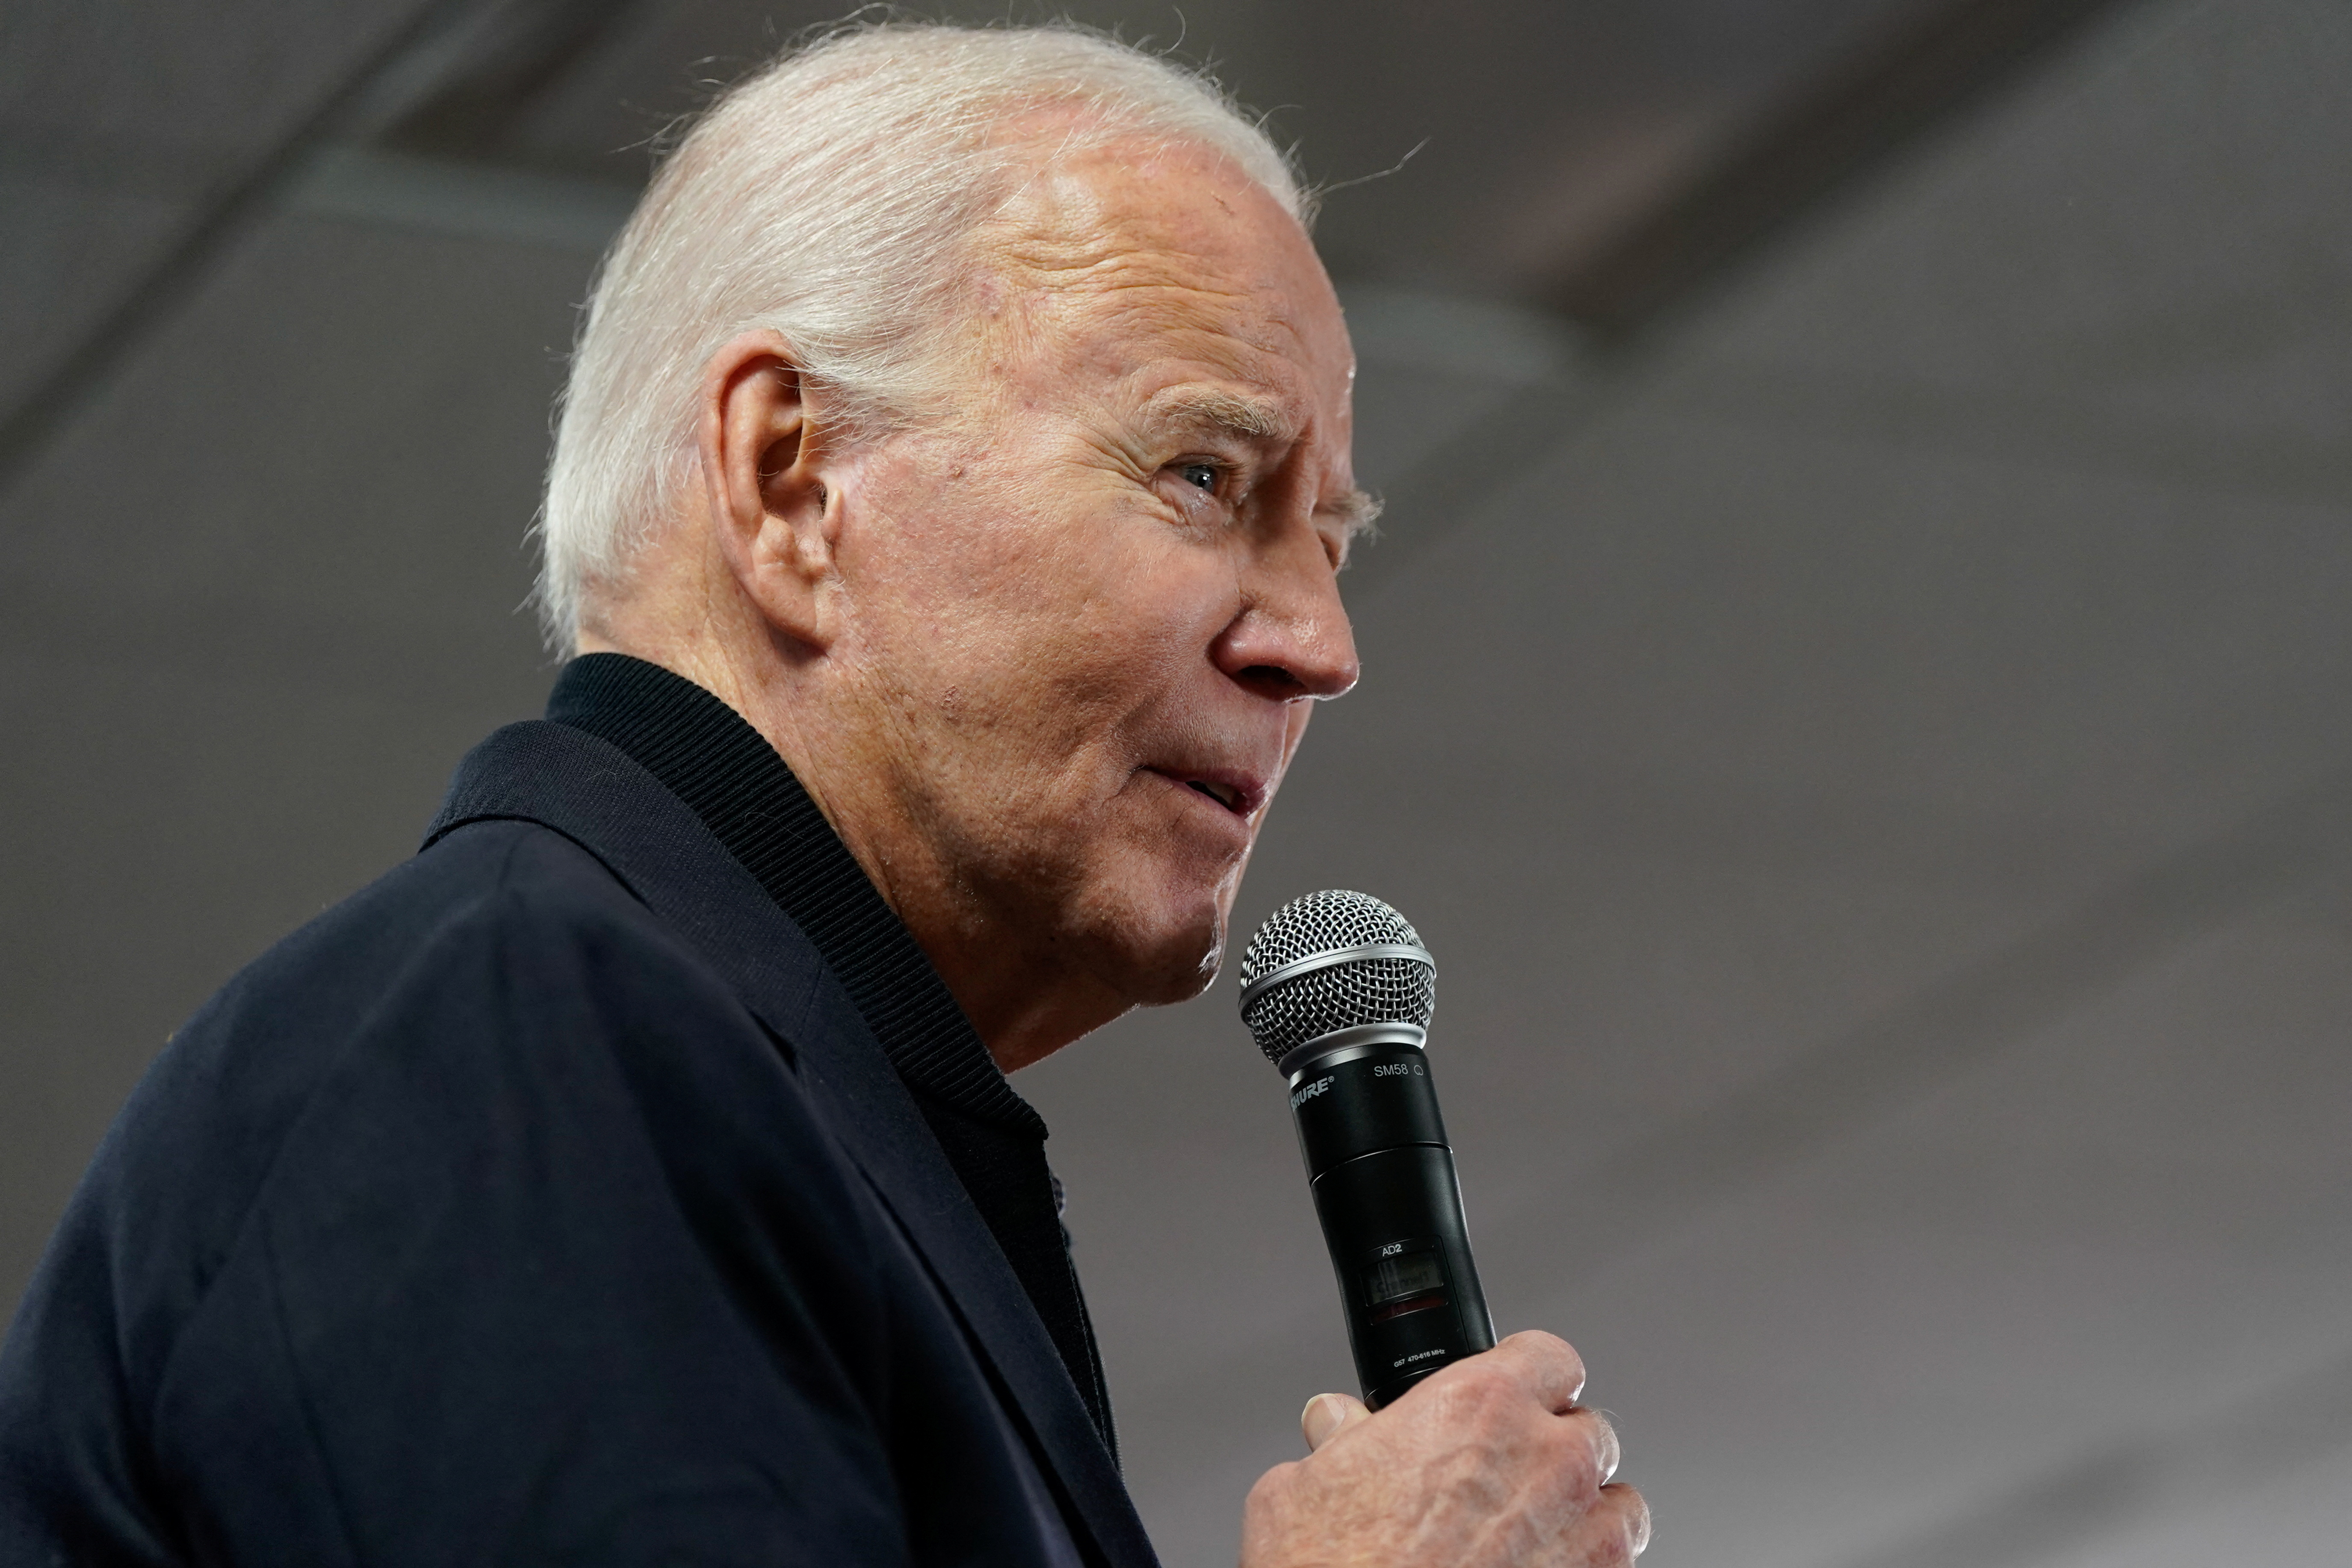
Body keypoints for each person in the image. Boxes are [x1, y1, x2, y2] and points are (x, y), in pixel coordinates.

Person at [0, 22, 1647, 1566]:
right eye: (1205, 476)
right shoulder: (531, 1023)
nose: (1320, 641)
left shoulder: (744, 1092)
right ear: (790, 481)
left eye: (1329, 537)